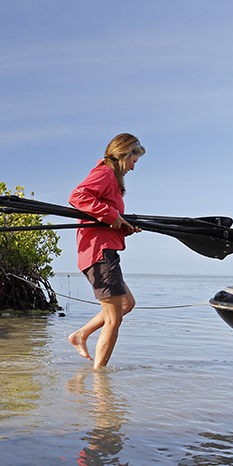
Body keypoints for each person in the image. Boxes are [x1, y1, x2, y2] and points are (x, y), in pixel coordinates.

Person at [67, 133, 145, 369]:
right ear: (124, 155)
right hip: (99, 252)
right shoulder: (104, 173)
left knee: (126, 304)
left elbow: (104, 220)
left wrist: (124, 228)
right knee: (114, 318)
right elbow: (77, 196)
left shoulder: (113, 179)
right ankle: (100, 382)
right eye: (134, 160)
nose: (133, 167)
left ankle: (80, 335)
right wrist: (113, 216)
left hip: (105, 249)